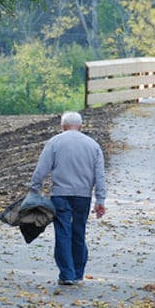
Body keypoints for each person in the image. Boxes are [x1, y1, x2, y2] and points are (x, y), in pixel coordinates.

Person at [29, 111, 106, 285]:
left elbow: (42, 169)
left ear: (62, 126)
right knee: (78, 233)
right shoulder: (93, 145)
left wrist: (35, 190)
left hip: (60, 194)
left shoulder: (55, 142)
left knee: (63, 233)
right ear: (80, 126)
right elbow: (100, 175)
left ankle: (67, 274)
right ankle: (78, 273)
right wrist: (100, 200)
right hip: (83, 196)